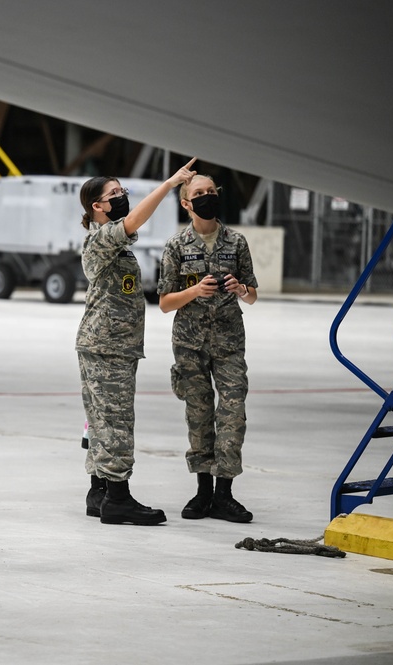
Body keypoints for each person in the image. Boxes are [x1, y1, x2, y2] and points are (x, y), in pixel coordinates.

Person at [77, 160, 197, 526]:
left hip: (109, 345)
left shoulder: (115, 246)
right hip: (108, 346)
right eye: (114, 195)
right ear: (97, 207)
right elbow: (135, 221)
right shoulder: (101, 238)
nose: (122, 198)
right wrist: (169, 184)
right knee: (115, 422)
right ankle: (118, 498)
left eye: (122, 192)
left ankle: (98, 491)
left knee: (101, 421)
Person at [158, 173, 258, 523]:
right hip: (190, 345)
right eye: (198, 193)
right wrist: (195, 291)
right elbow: (165, 302)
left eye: (211, 192)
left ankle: (224, 493)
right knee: (198, 416)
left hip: (229, 343)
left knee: (233, 414)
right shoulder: (176, 246)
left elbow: (253, 295)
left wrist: (240, 288)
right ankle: (203, 491)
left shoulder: (237, 241)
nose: (206, 197)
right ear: (186, 203)